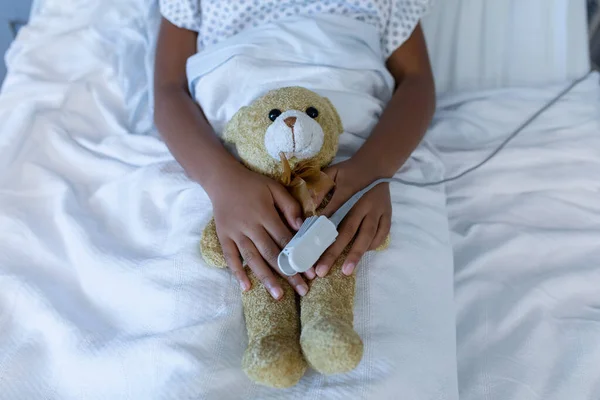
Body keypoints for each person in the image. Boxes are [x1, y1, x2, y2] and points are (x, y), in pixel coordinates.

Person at [154, 0, 436, 300]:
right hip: (225, 160)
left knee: (395, 296)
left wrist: (375, 166)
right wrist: (221, 180)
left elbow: (416, 81)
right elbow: (169, 90)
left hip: (360, 157)